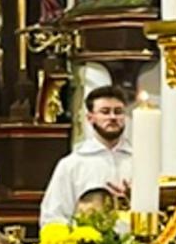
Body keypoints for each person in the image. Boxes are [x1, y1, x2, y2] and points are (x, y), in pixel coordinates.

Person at [40, 86, 132, 226]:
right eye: (105, 112)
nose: (113, 117)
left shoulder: (141, 161)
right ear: (90, 118)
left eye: (118, 112)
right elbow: (52, 217)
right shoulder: (72, 164)